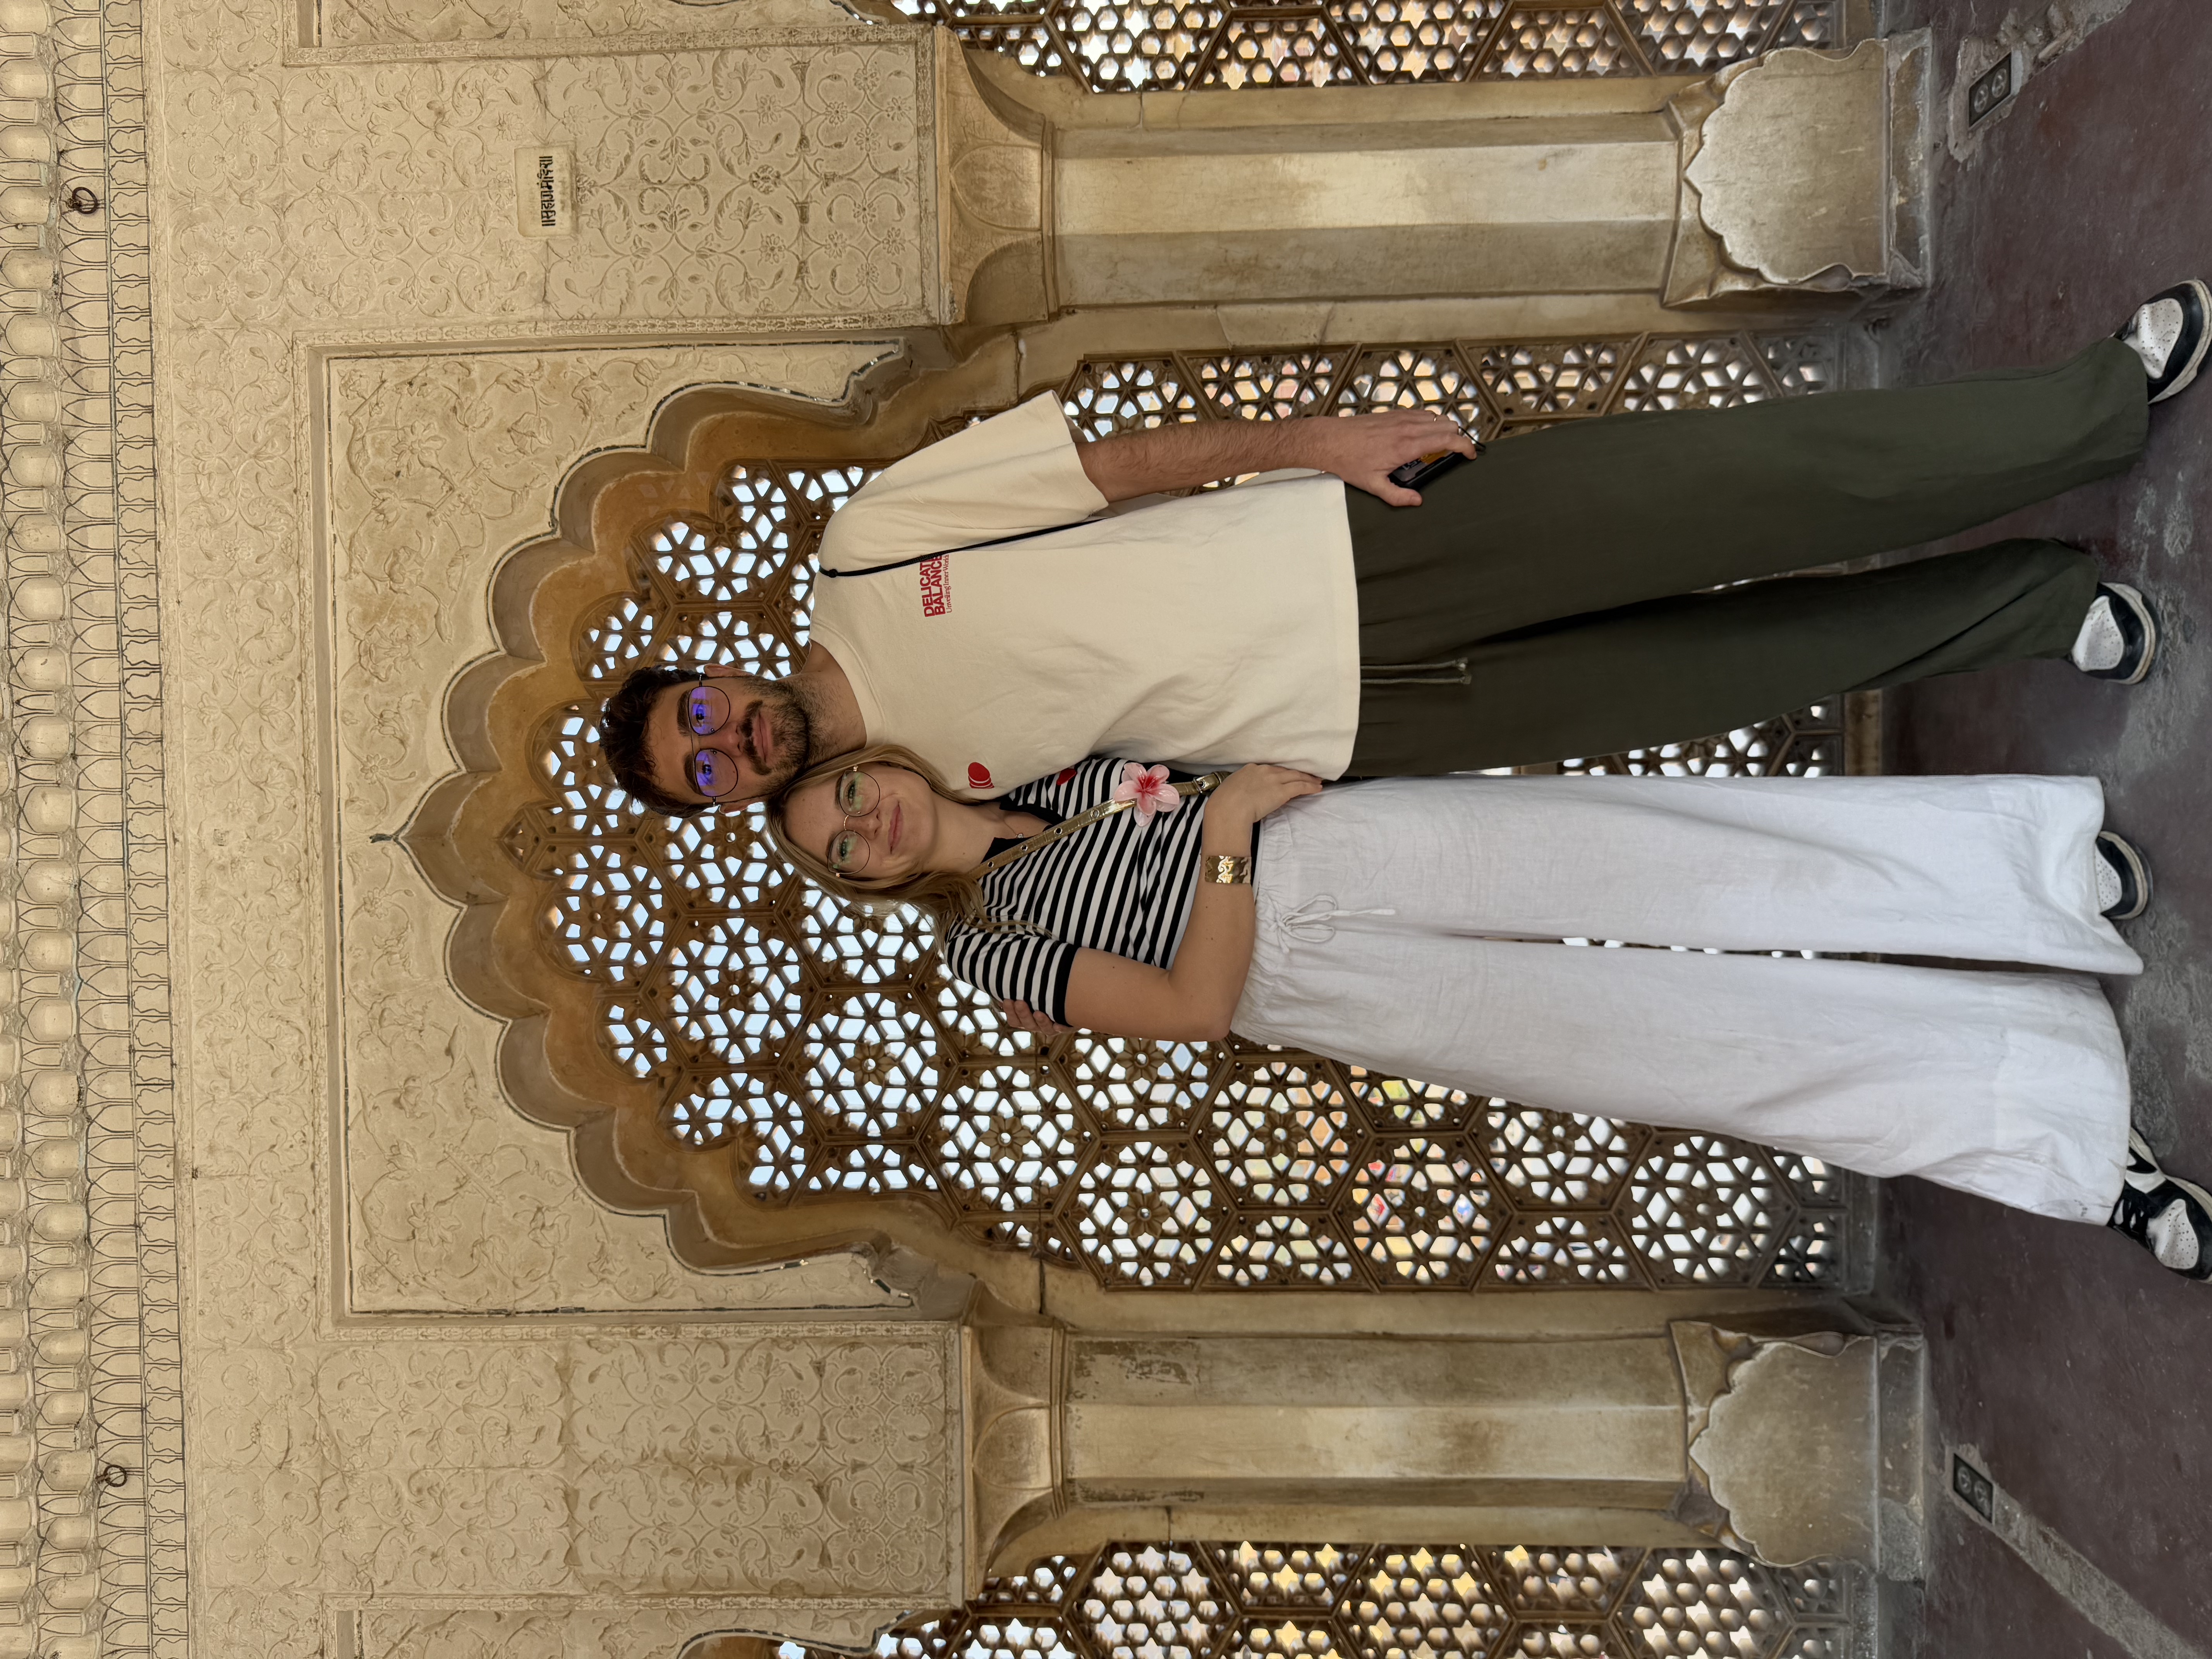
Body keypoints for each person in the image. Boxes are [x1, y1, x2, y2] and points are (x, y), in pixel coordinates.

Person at [596, 284, 2209, 814]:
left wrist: (1325, 441)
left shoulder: (870, 550)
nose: (731, 741)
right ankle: (2046, 610)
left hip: (1353, 555)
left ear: (716, 672)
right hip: (1352, 733)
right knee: (1738, 666)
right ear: (729, 807)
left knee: (1739, 485)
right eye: (711, 773)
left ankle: (2086, 407)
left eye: (701, 716)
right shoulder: (895, 817)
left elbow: (1115, 467)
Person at [767, 751, 2211, 1283]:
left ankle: (2032, 876)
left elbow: (1225, 784)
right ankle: (2065, 1127)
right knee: (1682, 1046)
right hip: (1311, 980)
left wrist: (1228, 819)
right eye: (844, 851)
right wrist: (1216, 838)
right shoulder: (989, 948)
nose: (867, 826)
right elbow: (1194, 1007)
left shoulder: (1050, 774)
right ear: (868, 879)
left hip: (1353, 846)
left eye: (842, 797)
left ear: (867, 765)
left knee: (1687, 845)